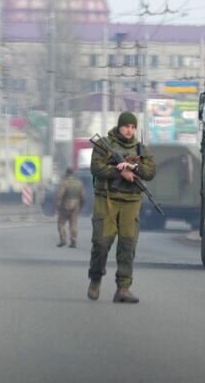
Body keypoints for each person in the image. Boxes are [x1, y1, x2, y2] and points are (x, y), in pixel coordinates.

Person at [88, 111, 156, 304]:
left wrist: (134, 169)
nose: (129, 130)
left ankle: (123, 288)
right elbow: (96, 168)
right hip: (107, 199)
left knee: (128, 245)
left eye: (133, 127)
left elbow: (151, 172)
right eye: (126, 126)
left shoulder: (141, 149)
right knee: (101, 242)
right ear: (119, 126)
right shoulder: (104, 144)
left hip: (131, 201)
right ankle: (95, 278)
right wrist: (119, 173)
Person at [56, 167, 84, 248]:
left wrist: (57, 206)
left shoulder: (64, 182)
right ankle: (73, 240)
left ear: (66, 173)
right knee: (73, 224)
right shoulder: (79, 183)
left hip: (65, 206)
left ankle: (63, 239)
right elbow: (83, 196)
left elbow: (59, 195)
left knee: (61, 223)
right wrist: (81, 206)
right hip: (76, 206)